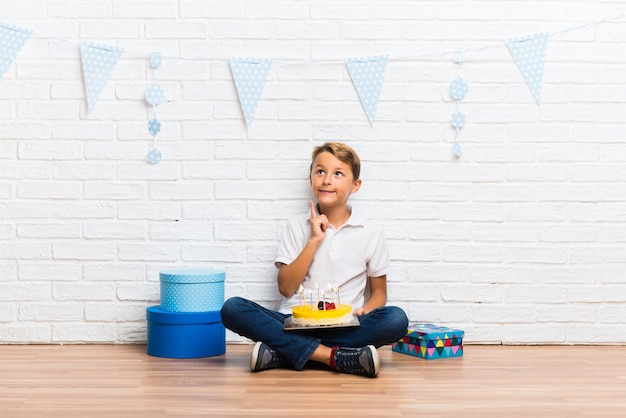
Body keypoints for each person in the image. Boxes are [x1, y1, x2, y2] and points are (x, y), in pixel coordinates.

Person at [220, 142, 408, 377]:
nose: (327, 180)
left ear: (355, 185)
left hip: (344, 326)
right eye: (320, 171)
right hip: (293, 323)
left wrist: (365, 311)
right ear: (311, 179)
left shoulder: (371, 231)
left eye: (338, 174)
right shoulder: (296, 225)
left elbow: (379, 293)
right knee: (233, 308)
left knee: (396, 319)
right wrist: (314, 240)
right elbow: (286, 288)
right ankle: (335, 357)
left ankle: (283, 352)